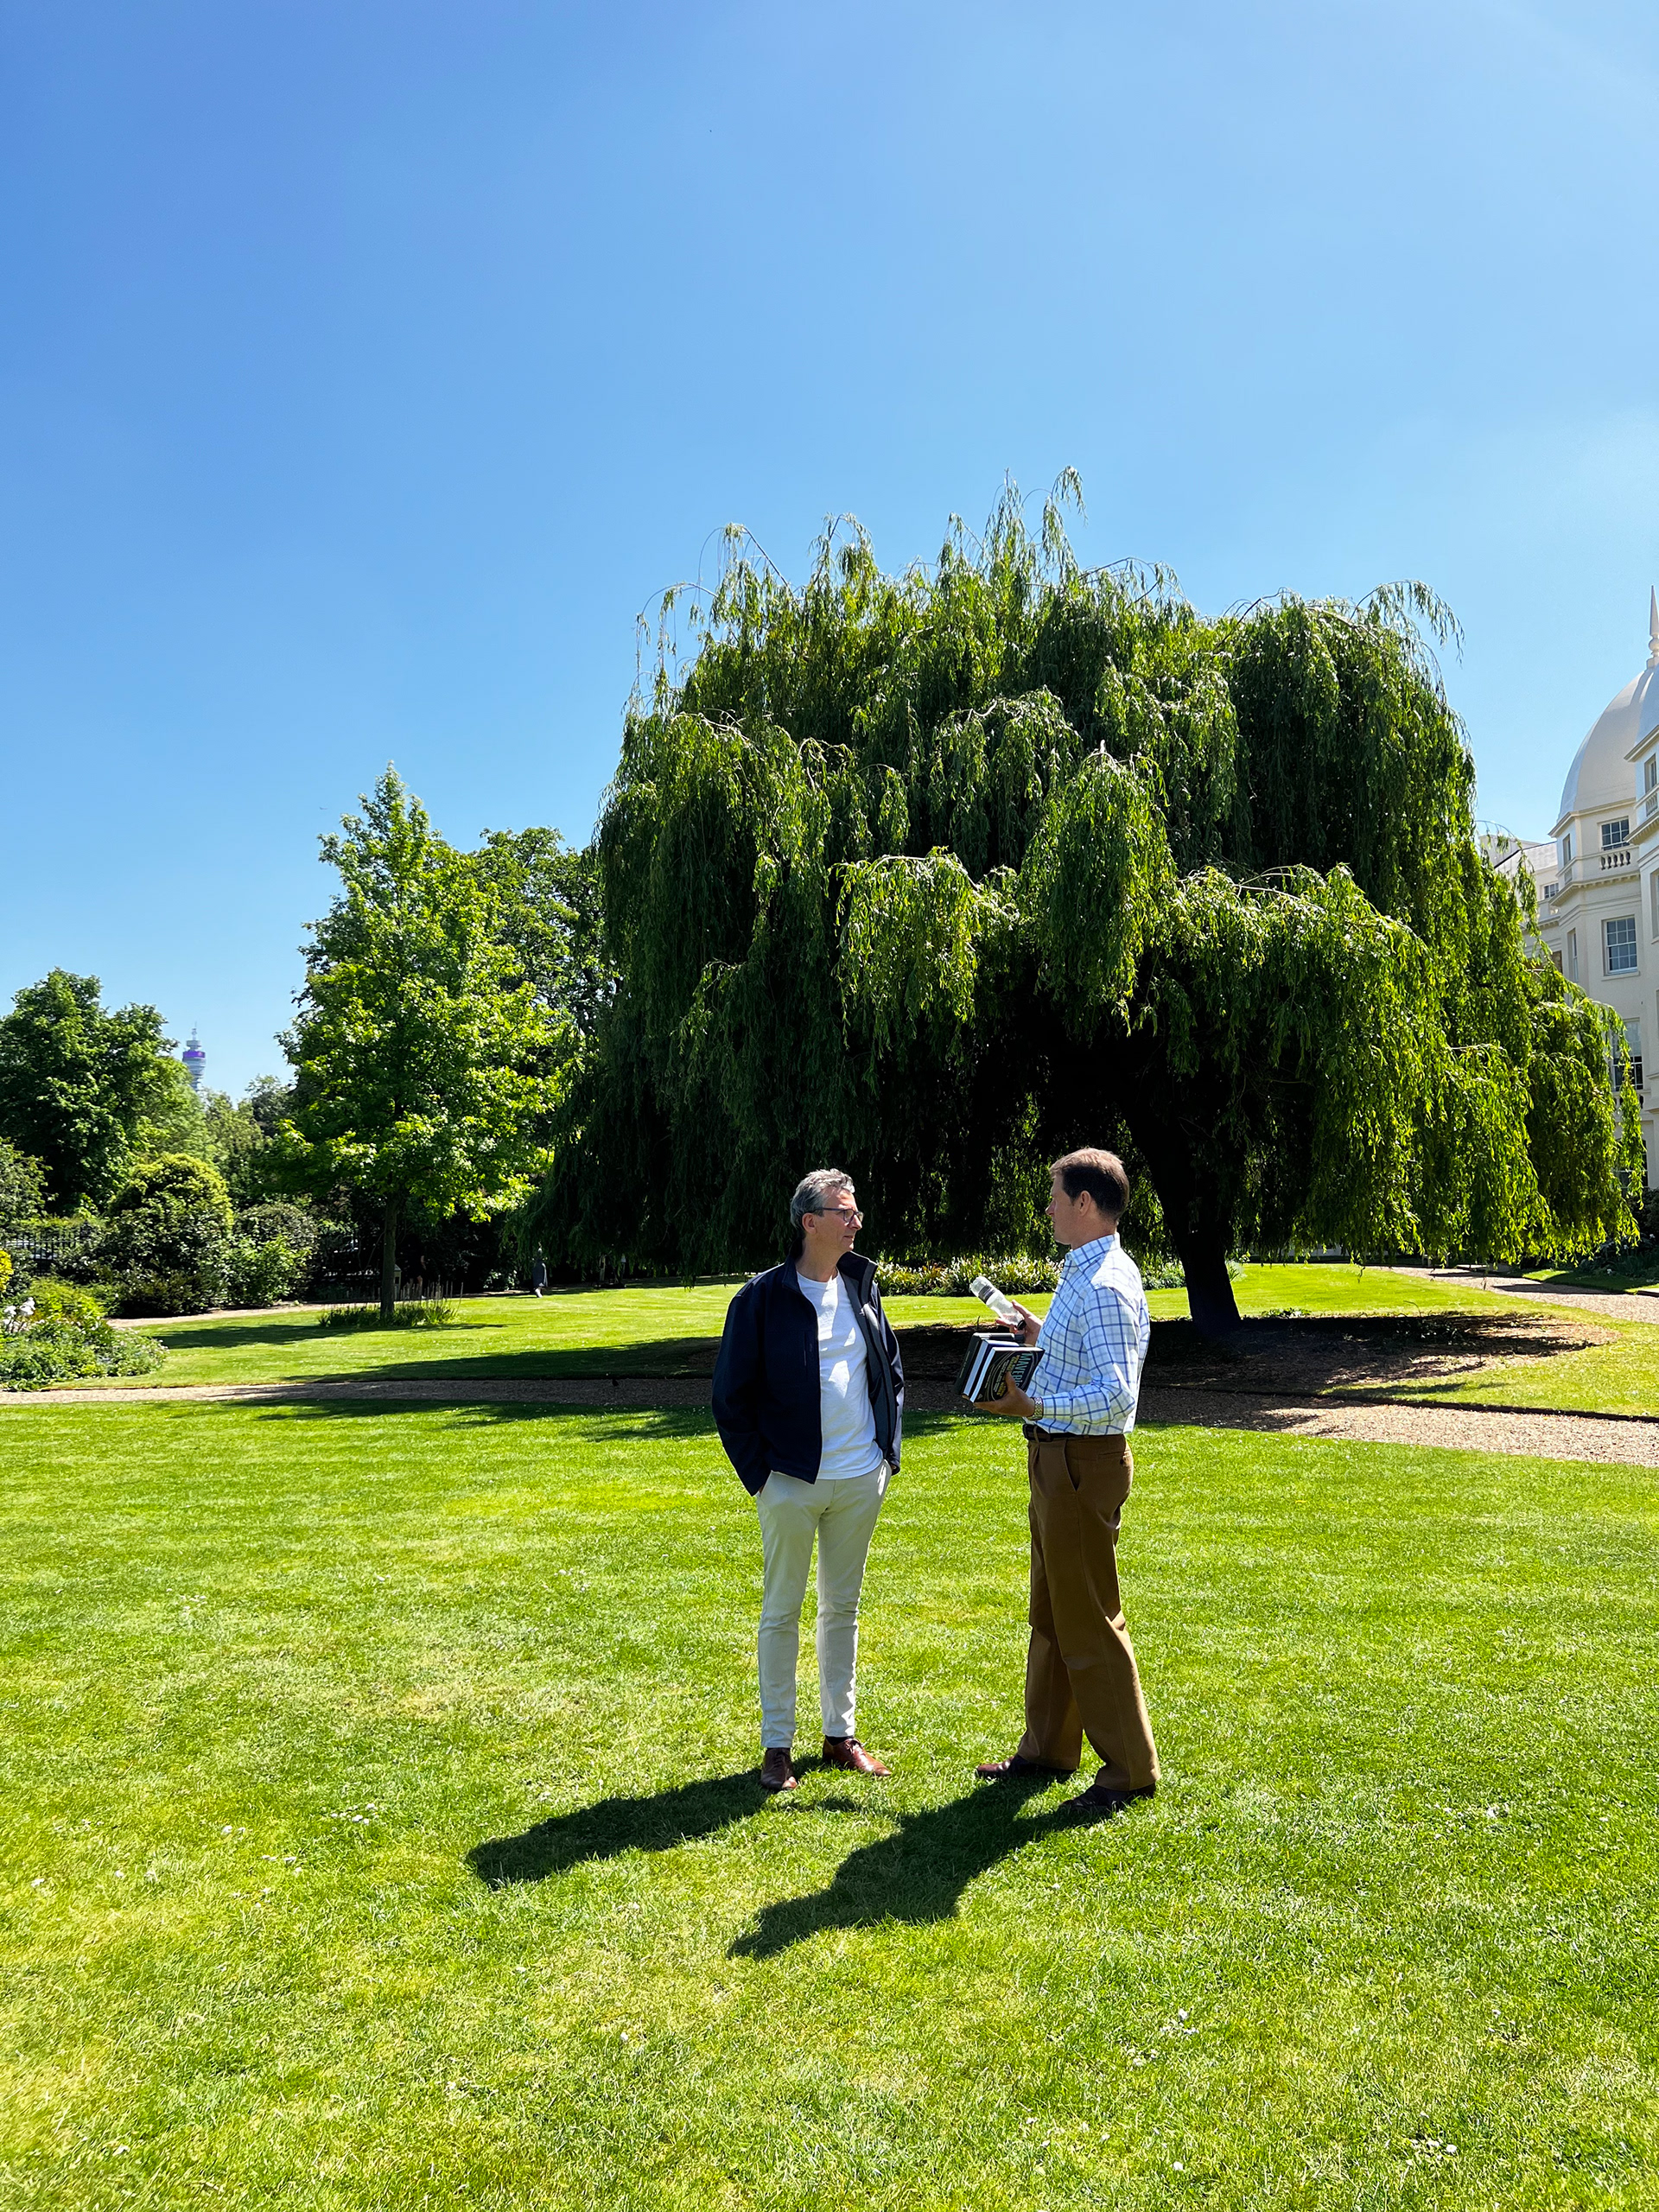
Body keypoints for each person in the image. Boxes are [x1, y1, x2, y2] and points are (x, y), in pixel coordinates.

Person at [969, 1147, 1160, 1817]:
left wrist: (1036, 1404)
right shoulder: (1086, 1270)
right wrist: (1038, 1332)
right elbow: (1082, 1358)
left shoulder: (1104, 1282)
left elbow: (1115, 1394)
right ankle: (1049, 1747)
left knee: (1089, 1619)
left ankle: (1130, 1770)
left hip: (1081, 1461)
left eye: (1055, 1196)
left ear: (1085, 1202)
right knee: (1052, 1611)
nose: (1048, 1208)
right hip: (1059, 1460)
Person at [712, 1168, 905, 1793]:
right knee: (782, 1610)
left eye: (856, 1211)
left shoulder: (862, 1286)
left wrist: (886, 1454)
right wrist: (762, 1476)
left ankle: (840, 1734)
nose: (856, 1222)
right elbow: (729, 1398)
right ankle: (777, 1745)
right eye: (844, 1212)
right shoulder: (761, 1298)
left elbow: (890, 1372)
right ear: (810, 1222)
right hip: (789, 1482)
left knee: (842, 1608)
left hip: (860, 1476)